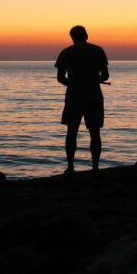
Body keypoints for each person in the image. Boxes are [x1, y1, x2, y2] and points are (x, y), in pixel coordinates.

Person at [55, 25, 109, 174]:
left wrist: (73, 84)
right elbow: (105, 76)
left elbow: (60, 78)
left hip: (74, 96)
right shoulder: (98, 51)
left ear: (72, 37)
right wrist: (92, 80)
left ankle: (70, 167)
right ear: (86, 35)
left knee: (71, 131)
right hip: (94, 96)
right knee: (95, 132)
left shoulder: (66, 53)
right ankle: (95, 167)